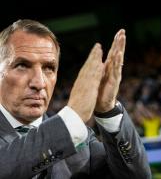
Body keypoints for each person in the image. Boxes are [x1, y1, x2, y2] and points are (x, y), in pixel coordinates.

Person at [0, 19, 151, 179]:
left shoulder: (82, 141)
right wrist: (71, 121)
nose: (39, 83)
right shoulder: (71, 131)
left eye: (49, 68)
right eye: (22, 65)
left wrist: (108, 110)